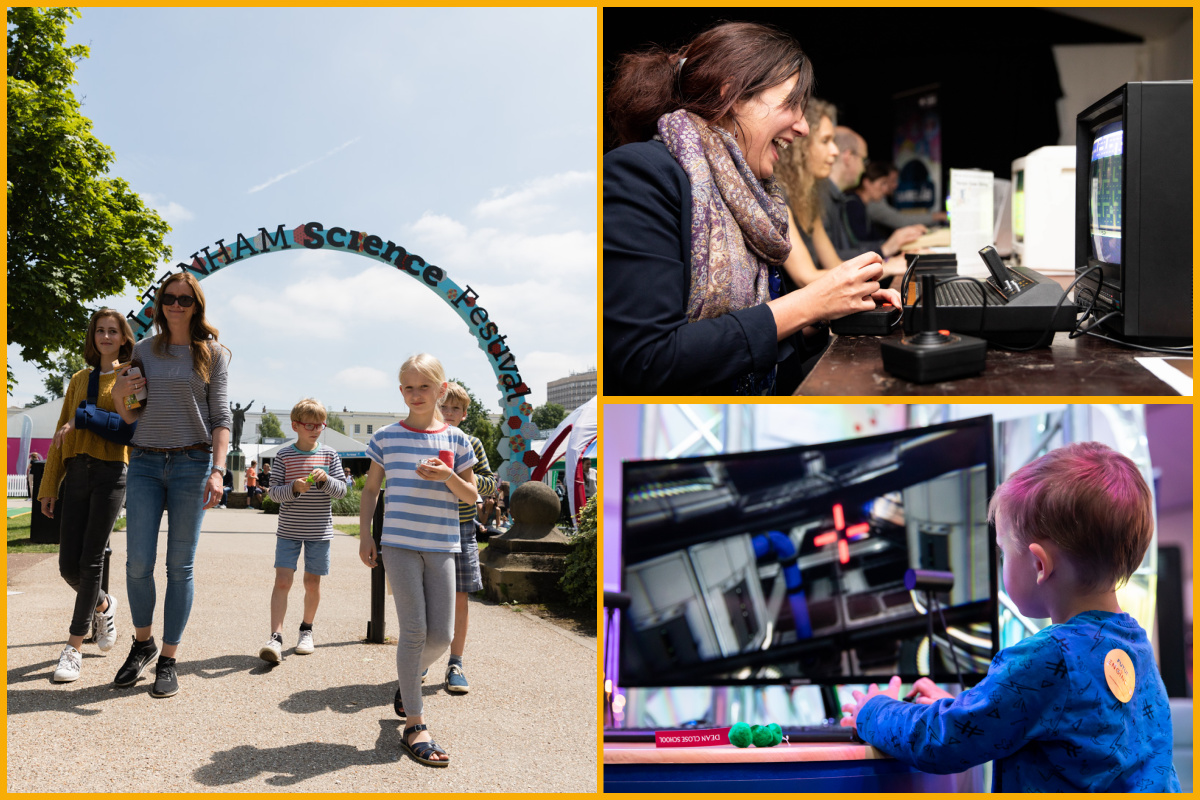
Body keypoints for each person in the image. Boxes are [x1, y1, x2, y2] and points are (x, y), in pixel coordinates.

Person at [841, 442, 1180, 792]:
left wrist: (873, 712)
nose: (1002, 560)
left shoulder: (1049, 658)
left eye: (1003, 551)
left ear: (1038, 565)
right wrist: (961, 706)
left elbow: (942, 741)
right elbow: (1051, 720)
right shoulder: (1136, 647)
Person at [604, 21, 900, 396]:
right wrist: (810, 304)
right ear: (732, 93)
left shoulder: (751, 196)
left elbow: (756, 330)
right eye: (793, 104)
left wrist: (825, 314)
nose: (803, 127)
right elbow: (650, 359)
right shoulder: (638, 174)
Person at [112, 271, 231, 698]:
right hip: (144, 461)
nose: (176, 305)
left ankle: (168, 658)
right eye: (169, 298)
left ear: (196, 304)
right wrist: (117, 394)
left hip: (192, 465)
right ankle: (142, 643)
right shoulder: (142, 350)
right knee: (137, 563)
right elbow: (129, 415)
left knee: (179, 567)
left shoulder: (212, 354)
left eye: (184, 299)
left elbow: (221, 419)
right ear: (160, 304)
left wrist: (218, 470)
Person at [358, 354, 478, 767]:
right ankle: (415, 723)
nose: (415, 394)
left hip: (443, 544)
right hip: (399, 544)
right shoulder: (387, 437)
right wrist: (366, 536)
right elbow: (371, 490)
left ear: (441, 390)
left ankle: (408, 682)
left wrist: (448, 477)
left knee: (441, 636)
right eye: (408, 387)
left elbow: (473, 496)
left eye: (423, 386)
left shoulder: (457, 441)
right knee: (413, 630)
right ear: (400, 391)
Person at [39, 309, 134, 682]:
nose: (106, 336)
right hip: (77, 472)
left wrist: (85, 418)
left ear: (124, 337)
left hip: (111, 474)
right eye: (100, 330)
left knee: (91, 561)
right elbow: (61, 435)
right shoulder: (79, 379)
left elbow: (130, 432)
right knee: (67, 567)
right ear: (92, 337)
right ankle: (104, 603)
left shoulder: (132, 377)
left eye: (113, 331)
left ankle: (73, 648)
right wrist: (50, 485)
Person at [259, 398, 347, 663]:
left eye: (320, 425)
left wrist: (326, 481)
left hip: (319, 531)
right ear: (295, 425)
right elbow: (273, 494)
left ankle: (306, 630)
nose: (315, 429)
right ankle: (275, 637)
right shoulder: (284, 455)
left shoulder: (330, 455)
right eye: (309, 425)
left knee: (312, 583)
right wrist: (294, 489)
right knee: (283, 581)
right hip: (288, 530)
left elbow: (342, 491)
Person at [437, 381, 496, 694]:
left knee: (460, 597)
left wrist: (458, 477)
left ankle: (455, 662)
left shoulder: (470, 442)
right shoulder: (425, 439)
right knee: (429, 598)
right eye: (443, 406)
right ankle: (422, 659)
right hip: (430, 526)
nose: (448, 413)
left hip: (462, 527)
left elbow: (489, 484)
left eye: (455, 408)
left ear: (464, 413)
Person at [822, 126, 926, 263]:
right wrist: (885, 251)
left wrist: (888, 251)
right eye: (863, 160)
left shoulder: (837, 198)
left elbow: (842, 253)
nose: (864, 168)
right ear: (848, 157)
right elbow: (829, 261)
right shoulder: (827, 199)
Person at [867, 164, 947, 235]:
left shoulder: (880, 199)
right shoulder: (873, 203)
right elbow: (900, 220)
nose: (895, 185)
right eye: (885, 182)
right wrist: (938, 216)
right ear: (867, 183)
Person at [844, 161, 897, 243]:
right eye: (883, 183)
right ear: (867, 183)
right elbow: (859, 243)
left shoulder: (860, 204)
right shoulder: (853, 205)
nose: (886, 189)